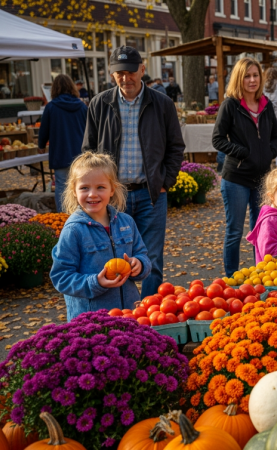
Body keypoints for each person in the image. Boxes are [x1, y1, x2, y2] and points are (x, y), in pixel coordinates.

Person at [82, 46, 185, 297]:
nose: (126, 78)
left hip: (151, 195)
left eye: (131, 72)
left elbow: (176, 147)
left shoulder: (162, 104)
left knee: (151, 259)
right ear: (111, 74)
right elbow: (89, 151)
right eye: (120, 74)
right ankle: (122, 313)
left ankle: (150, 314)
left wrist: (165, 182)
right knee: (112, 258)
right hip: (114, 197)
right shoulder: (100, 103)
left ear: (142, 69)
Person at [50, 152, 151, 321]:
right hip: (92, 321)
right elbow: (61, 277)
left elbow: (143, 255)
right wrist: (96, 282)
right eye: (84, 188)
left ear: (112, 189)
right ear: (74, 191)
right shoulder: (74, 230)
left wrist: (139, 265)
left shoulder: (126, 222)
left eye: (100, 187)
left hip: (130, 314)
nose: (92, 194)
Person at [211, 57, 277, 275]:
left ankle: (260, 273)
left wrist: (270, 152)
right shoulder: (230, 105)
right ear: (239, 79)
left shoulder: (266, 105)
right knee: (234, 231)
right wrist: (242, 152)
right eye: (247, 76)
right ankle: (231, 277)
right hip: (236, 179)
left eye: (256, 75)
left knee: (261, 230)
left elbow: (276, 137)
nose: (252, 80)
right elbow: (217, 139)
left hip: (262, 179)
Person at [39, 75, 88, 213]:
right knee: (81, 186)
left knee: (61, 187)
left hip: (60, 153)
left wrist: (41, 145)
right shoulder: (82, 106)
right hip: (80, 154)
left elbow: (44, 129)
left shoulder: (51, 107)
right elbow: (89, 129)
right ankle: (81, 216)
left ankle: (63, 219)